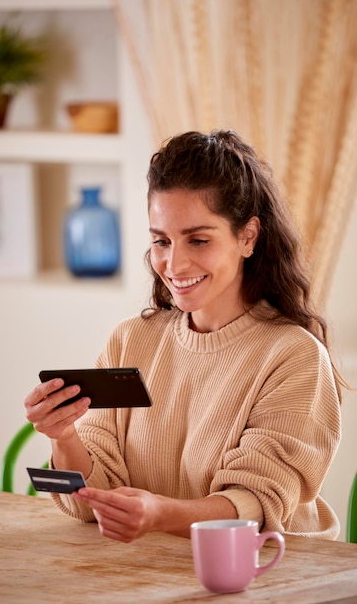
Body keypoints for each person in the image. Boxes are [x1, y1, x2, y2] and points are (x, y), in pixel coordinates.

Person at [24, 129, 342, 544]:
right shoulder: (130, 341)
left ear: (247, 236)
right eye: (162, 241)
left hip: (267, 575)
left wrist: (158, 514)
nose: (174, 263)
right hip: (152, 570)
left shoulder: (293, 357)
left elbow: (254, 505)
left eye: (198, 239)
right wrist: (63, 435)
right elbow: (89, 505)